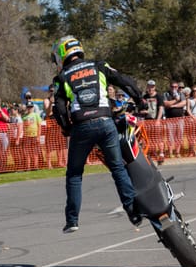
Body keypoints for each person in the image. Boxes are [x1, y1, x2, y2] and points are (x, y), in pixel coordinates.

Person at [51, 35, 145, 233]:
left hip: (82, 127)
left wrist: (66, 127)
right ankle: (133, 211)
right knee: (118, 167)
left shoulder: (62, 77)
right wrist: (139, 98)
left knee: (75, 174)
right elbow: (123, 80)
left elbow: (58, 109)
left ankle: (72, 220)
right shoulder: (99, 65)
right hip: (105, 122)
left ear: (61, 54)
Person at [141, 79, 165, 164]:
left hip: (156, 119)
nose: (150, 88)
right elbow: (141, 108)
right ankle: (153, 153)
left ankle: (161, 153)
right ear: (147, 87)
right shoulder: (145, 97)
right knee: (149, 138)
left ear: (154, 87)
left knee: (158, 137)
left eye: (152, 86)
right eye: (149, 86)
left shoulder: (159, 96)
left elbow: (161, 108)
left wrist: (158, 120)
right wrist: (143, 112)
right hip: (147, 121)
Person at [163, 80, 186, 158]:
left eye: (175, 87)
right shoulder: (166, 94)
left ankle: (177, 152)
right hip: (170, 119)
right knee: (170, 136)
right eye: (172, 87)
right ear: (170, 87)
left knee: (179, 136)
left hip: (180, 118)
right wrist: (176, 100)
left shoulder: (181, 94)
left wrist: (173, 106)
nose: (174, 88)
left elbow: (183, 103)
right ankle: (170, 152)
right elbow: (166, 104)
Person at [22, 101, 42, 170]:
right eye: (28, 107)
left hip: (35, 135)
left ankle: (35, 166)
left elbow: (39, 126)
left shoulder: (36, 115)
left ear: (33, 107)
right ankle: (28, 167)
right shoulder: (24, 116)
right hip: (27, 136)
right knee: (27, 152)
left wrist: (38, 137)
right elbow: (23, 126)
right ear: (26, 108)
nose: (29, 108)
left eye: (31, 107)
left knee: (35, 152)